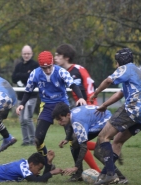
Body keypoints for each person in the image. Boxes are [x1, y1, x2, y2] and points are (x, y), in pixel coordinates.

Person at [16, 51, 86, 169]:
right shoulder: (35, 74)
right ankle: (48, 165)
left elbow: (73, 85)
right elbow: (28, 91)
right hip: (47, 106)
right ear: (40, 66)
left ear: (53, 63)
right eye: (44, 68)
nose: (47, 70)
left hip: (62, 105)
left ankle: (78, 171)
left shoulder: (61, 72)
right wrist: (22, 104)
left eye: (49, 67)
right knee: (37, 139)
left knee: (73, 139)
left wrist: (81, 98)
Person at [90, 48, 141, 185]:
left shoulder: (125, 68)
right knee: (117, 142)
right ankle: (107, 174)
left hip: (132, 109)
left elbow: (108, 81)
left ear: (118, 62)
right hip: (140, 117)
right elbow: (120, 94)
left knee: (103, 137)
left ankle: (111, 175)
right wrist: (104, 105)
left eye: (116, 63)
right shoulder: (136, 71)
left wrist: (95, 93)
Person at [54, 43, 101, 180]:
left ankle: (98, 171)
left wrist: (87, 107)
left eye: (58, 55)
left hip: (88, 109)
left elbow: (86, 91)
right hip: (87, 108)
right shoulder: (74, 70)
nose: (55, 57)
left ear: (66, 57)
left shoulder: (74, 72)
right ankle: (104, 148)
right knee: (77, 142)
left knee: (79, 143)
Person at [52, 102, 128, 184]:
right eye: (57, 120)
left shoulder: (78, 121)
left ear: (67, 114)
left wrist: (75, 167)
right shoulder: (72, 113)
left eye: (60, 119)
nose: (59, 123)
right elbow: (71, 124)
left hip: (105, 121)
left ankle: (120, 177)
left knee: (98, 153)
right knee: (75, 142)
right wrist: (67, 139)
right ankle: (78, 174)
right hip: (100, 119)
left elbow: (84, 147)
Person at [12, 45, 39, 146]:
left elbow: (32, 77)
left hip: (31, 96)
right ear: (22, 54)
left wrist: (21, 76)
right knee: (22, 120)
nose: (26, 55)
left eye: (28, 53)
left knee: (28, 118)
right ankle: (25, 140)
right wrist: (25, 75)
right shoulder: (18, 65)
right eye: (24, 54)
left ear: (31, 54)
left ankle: (34, 140)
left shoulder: (35, 65)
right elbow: (14, 77)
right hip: (20, 97)